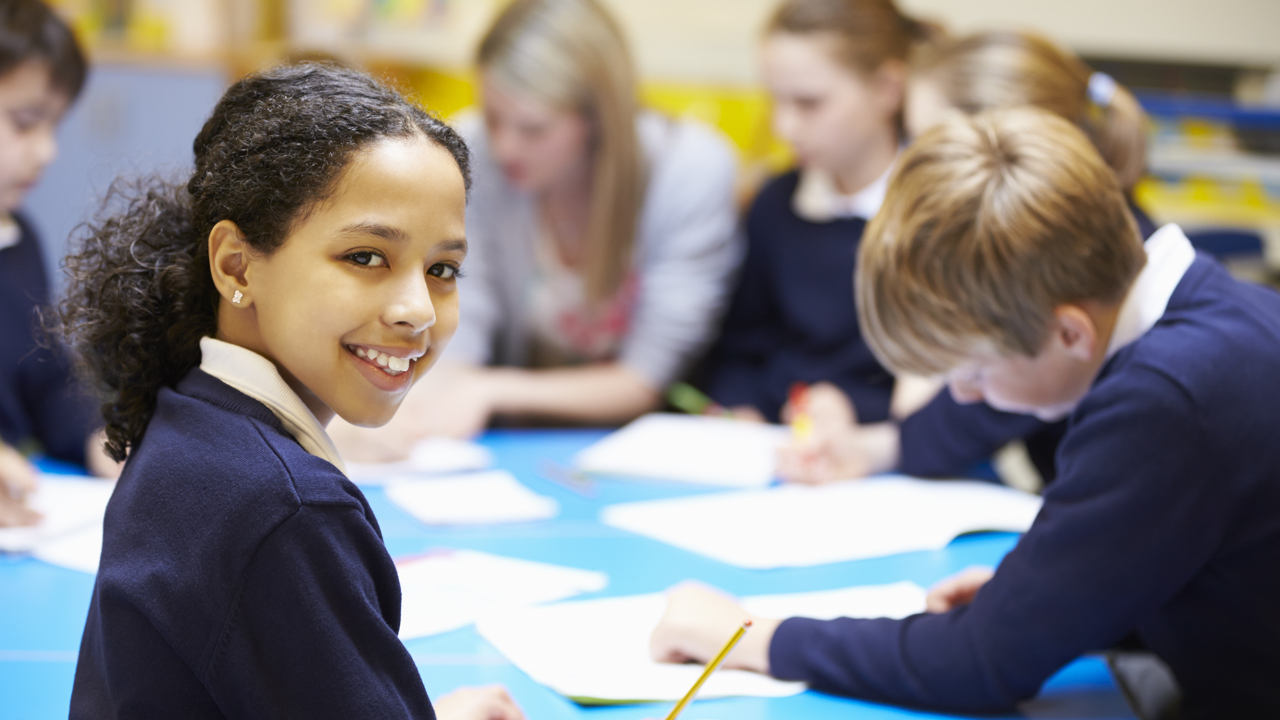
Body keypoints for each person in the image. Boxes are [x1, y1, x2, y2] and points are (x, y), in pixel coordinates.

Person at [650, 108, 1280, 717]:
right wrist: (1066, 600)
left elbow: (979, 666)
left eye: (974, 373)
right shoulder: (1213, 310)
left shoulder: (1163, 398)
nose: (967, 397)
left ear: (1069, 334)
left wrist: (751, 636)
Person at [59, 63, 522, 720]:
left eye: (443, 269)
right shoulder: (288, 508)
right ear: (236, 265)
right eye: (366, 257)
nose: (418, 308)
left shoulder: (191, 415)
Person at [331, 0, 740, 459]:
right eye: (494, 117)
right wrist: (411, 410)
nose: (507, 147)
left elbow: (645, 379)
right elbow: (458, 326)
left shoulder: (688, 170)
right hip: (509, 442)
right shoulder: (470, 152)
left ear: (596, 121)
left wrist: (490, 389)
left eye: (533, 128)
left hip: (655, 448)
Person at [779, 30, 1160, 485]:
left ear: (1001, 153)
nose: (909, 166)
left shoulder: (1076, 261)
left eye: (927, 144)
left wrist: (875, 445)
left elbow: (964, 418)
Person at [697, 0, 935, 453]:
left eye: (809, 103)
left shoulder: (937, 211)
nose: (786, 127)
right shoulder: (776, 204)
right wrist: (741, 407)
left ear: (887, 89)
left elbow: (952, 389)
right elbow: (740, 350)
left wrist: (851, 412)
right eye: (776, 100)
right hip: (784, 455)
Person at [0, 0, 115, 528]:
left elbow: (47, 378)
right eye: (25, 124)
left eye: (54, 126)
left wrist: (101, 440)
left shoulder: (19, 241)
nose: (46, 151)